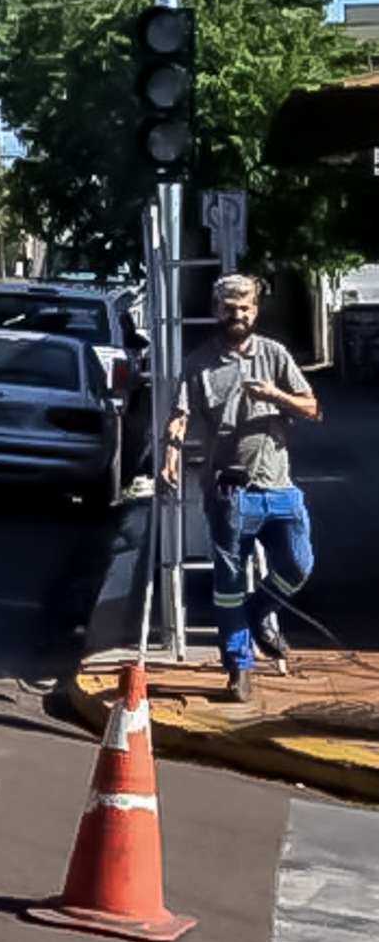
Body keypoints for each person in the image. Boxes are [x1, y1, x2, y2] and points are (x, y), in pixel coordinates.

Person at [160, 272, 321, 703]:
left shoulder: (274, 354)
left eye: (245, 308)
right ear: (218, 311)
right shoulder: (199, 364)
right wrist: (170, 460)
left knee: (299, 564)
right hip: (229, 493)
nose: (238, 315)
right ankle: (238, 667)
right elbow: (179, 416)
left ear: (255, 311)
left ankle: (262, 612)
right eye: (230, 309)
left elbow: (312, 407)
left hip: (279, 487)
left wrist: (276, 396)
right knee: (229, 584)